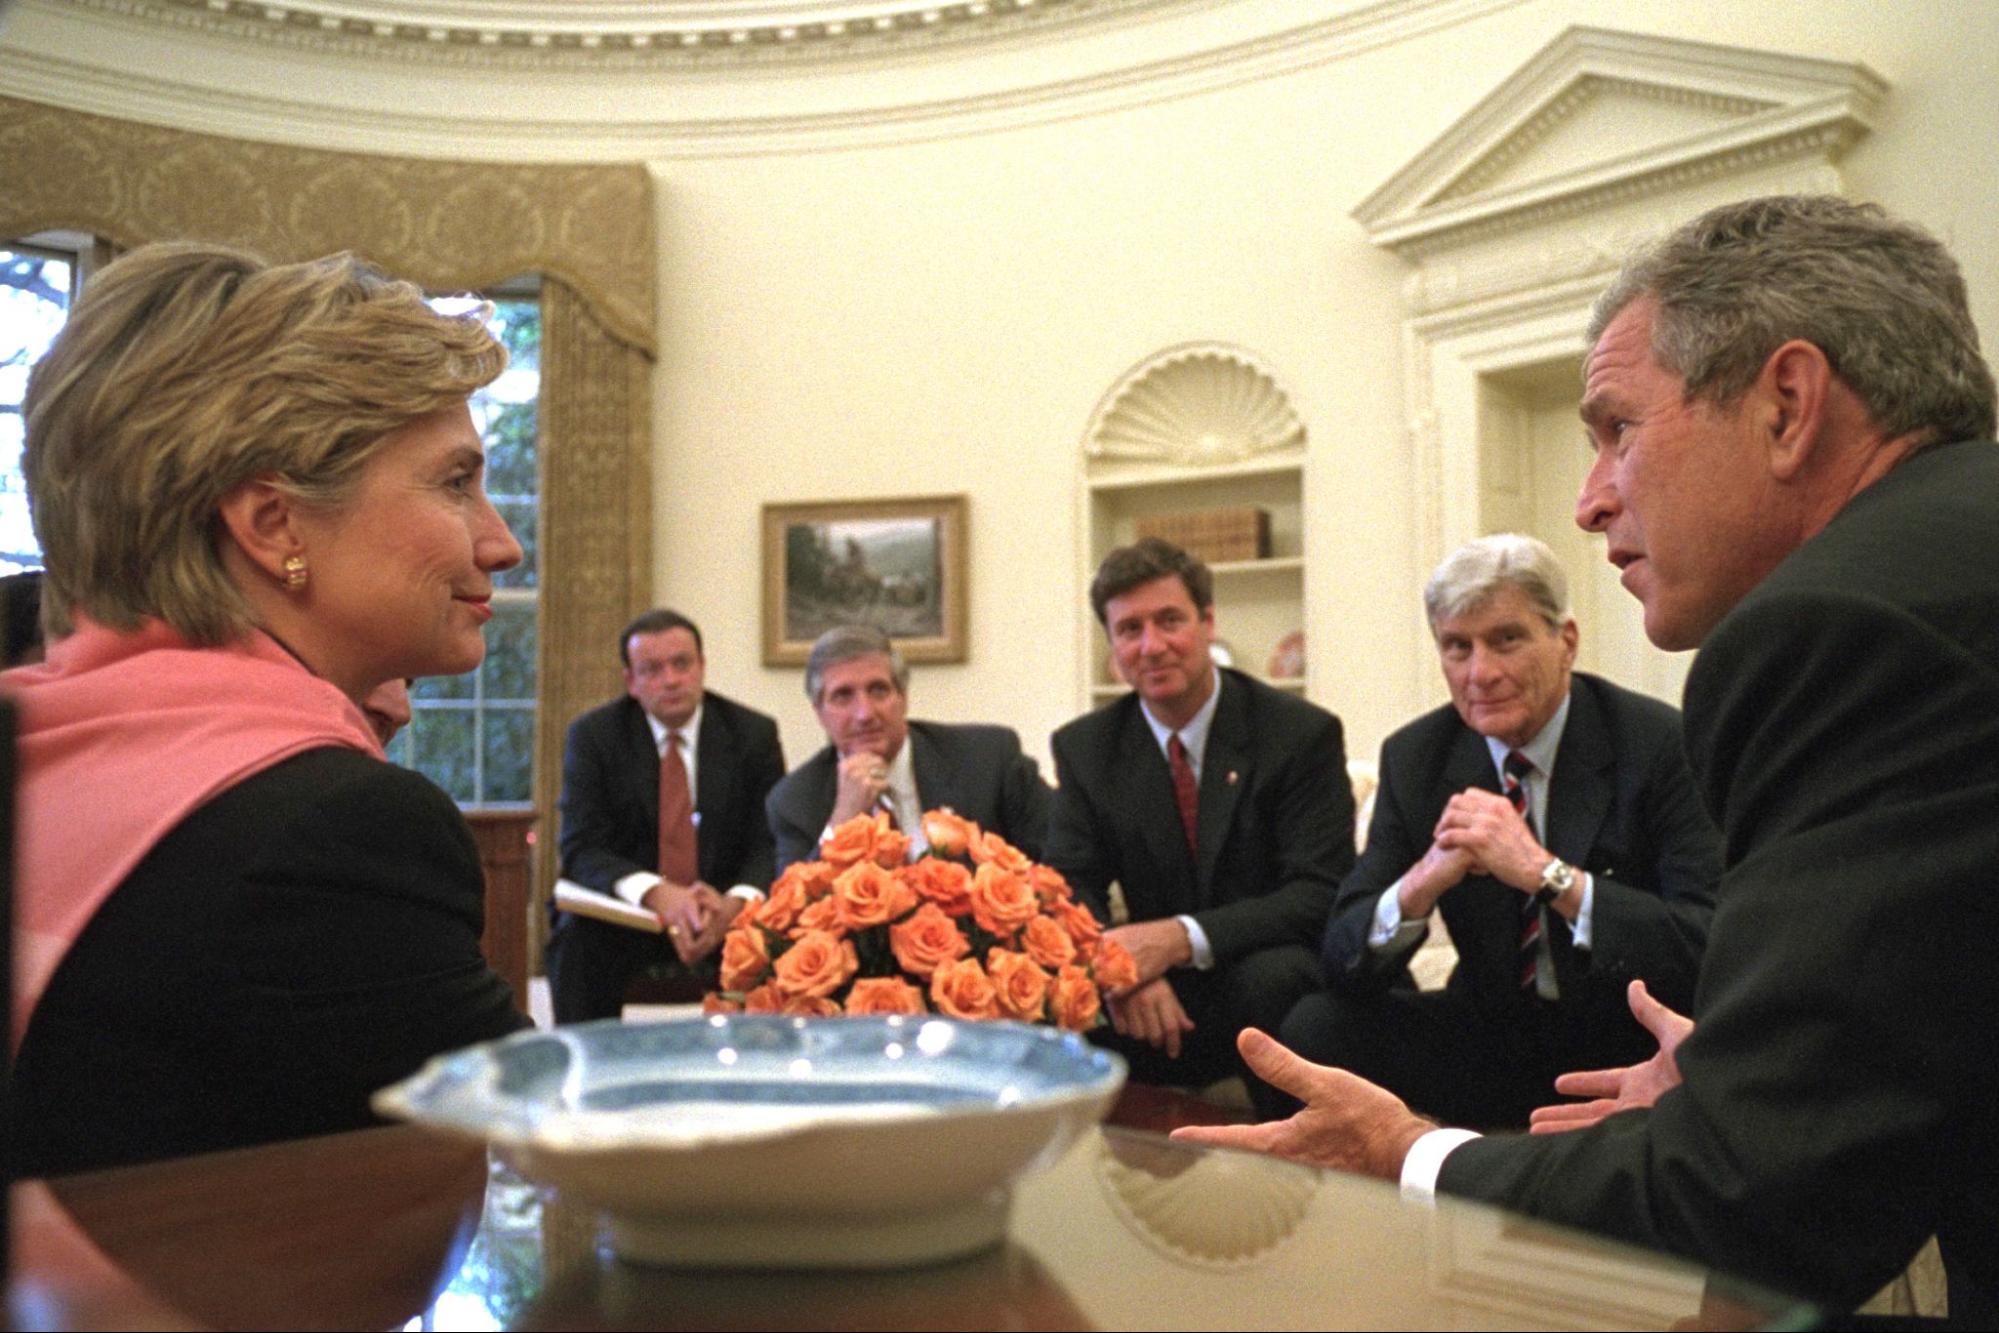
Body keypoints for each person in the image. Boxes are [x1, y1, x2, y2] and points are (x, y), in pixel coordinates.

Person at [1176, 196, 1999, 1323]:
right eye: (1455, 648)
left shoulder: (1821, 633)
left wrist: (1412, 1155)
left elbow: (1761, 1197)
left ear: (1788, 404)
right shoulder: (1949, 557)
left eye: (1617, 428)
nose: (1590, 494)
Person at [6, 241, 531, 1176]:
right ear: (273, 523)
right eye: (456, 481)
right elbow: (560, 1171)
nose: (501, 544)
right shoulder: (335, 834)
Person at [1283, 534, 1720, 1128]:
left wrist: (1545, 874)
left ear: (1565, 641)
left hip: (1623, 1039)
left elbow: (1703, 945)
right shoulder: (1417, 758)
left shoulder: (1657, 743)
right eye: (1457, 647)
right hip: (1490, 1031)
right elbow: (1343, 956)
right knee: (1315, 1025)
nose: (1480, 673)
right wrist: (1422, 881)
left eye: (1506, 640)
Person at [1045, 537, 1355, 1112]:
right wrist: (1123, 971)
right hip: (1154, 1002)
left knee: (1277, 980)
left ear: (1207, 622)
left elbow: (1320, 892)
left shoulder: (1298, 734)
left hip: (1266, 975)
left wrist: (1177, 939)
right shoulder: (1087, 749)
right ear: (1111, 646)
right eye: (1129, 629)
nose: (1152, 646)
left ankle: (1296, 1171)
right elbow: (1066, 885)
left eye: (1169, 621)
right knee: (1058, 1003)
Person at [545, 609, 785, 1023]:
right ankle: (588, 1073)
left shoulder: (752, 734)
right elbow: (581, 847)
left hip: (723, 915)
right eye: (652, 670)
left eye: (682, 664)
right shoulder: (595, 737)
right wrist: (660, 894)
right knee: (574, 941)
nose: (671, 679)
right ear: (631, 682)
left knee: (793, 932)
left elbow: (769, 841)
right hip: (631, 918)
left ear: (702, 667)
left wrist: (733, 905)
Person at [765, 624, 1051, 871]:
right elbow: (794, 917)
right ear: (819, 712)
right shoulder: (795, 802)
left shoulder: (988, 759)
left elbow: (1059, 858)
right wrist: (842, 822)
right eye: (843, 696)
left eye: (878, 690)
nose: (864, 713)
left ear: (902, 697)